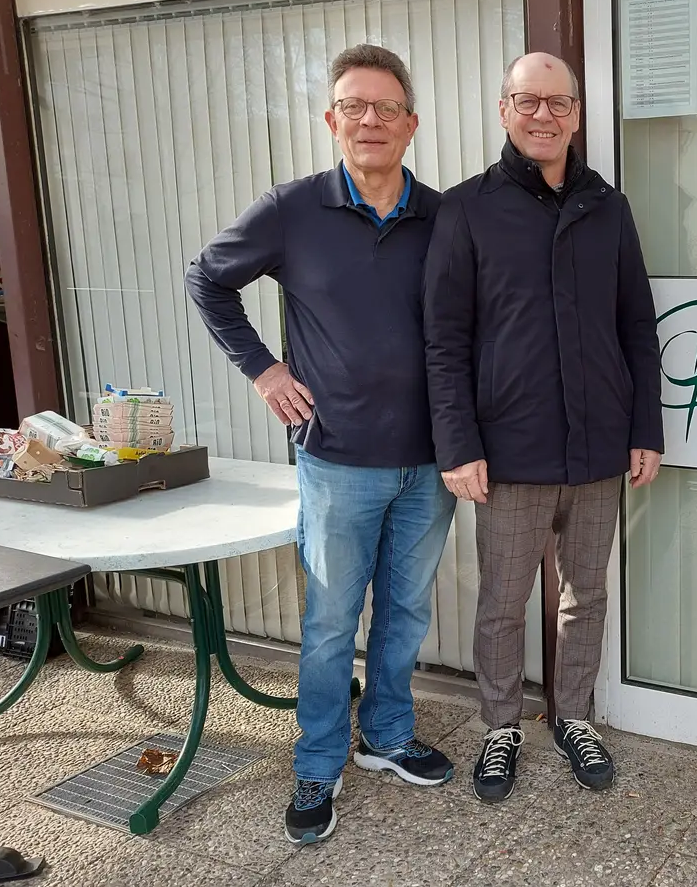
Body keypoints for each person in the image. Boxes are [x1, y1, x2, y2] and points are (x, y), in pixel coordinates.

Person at [185, 44, 457, 845]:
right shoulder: (291, 210)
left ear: (411, 123)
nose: (370, 120)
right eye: (354, 105)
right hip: (338, 458)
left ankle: (388, 733)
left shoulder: (443, 217)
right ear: (332, 119)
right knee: (334, 620)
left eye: (387, 108)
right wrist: (265, 370)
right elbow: (208, 278)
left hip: (435, 461)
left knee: (405, 611)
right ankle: (317, 760)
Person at [422, 52, 663, 804]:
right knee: (503, 598)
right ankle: (500, 727)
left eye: (558, 103)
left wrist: (645, 427)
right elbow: (444, 340)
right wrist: (457, 443)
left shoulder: (607, 207)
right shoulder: (465, 209)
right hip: (510, 451)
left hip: (598, 448)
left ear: (577, 115)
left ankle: (574, 714)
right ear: (504, 111)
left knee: (584, 594)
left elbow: (636, 326)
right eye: (527, 101)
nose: (543, 116)